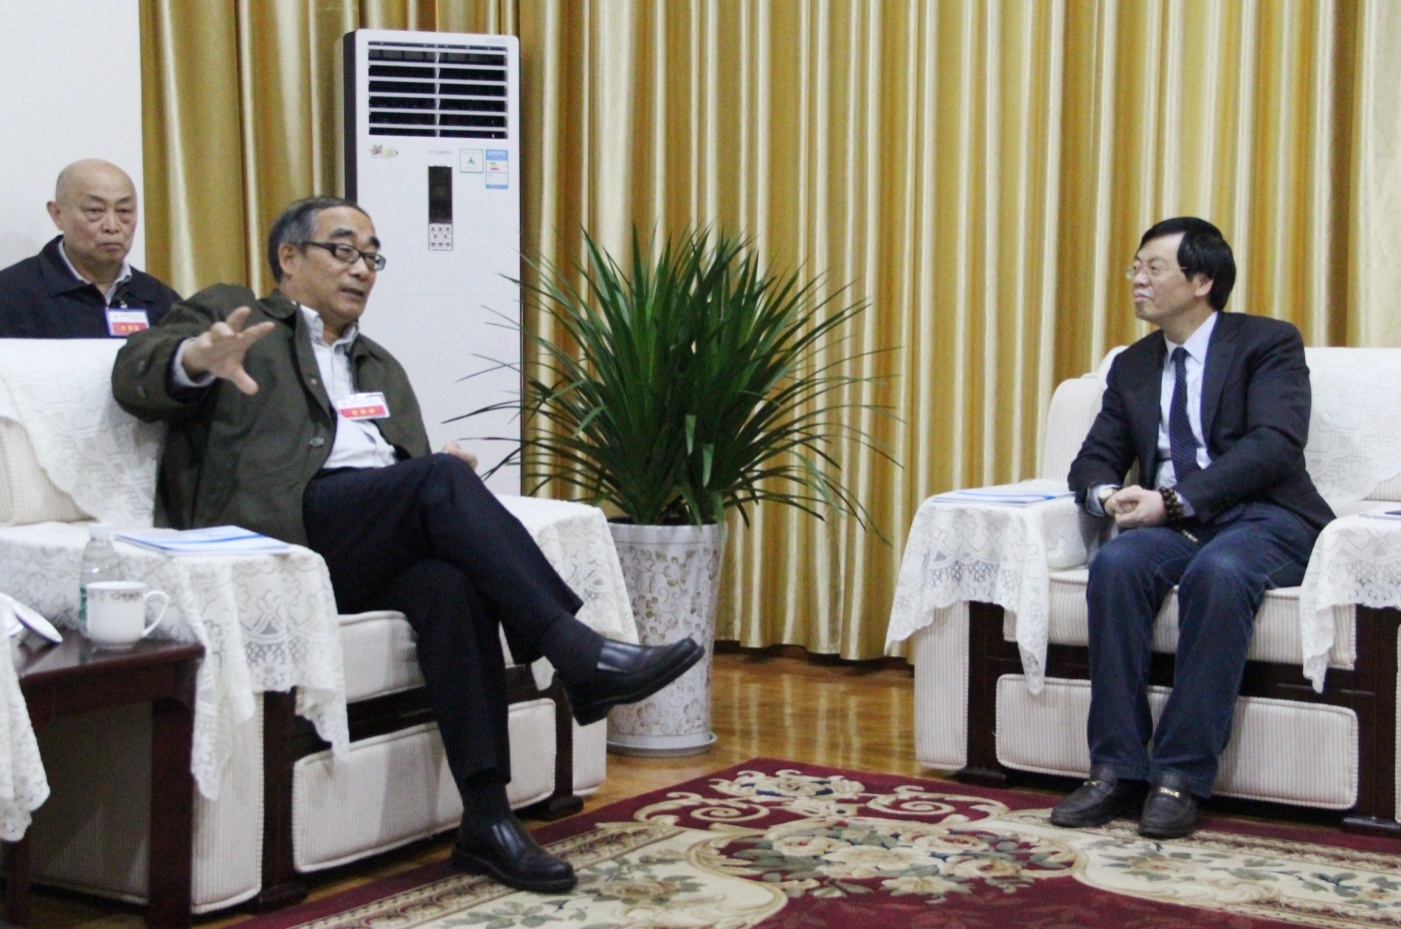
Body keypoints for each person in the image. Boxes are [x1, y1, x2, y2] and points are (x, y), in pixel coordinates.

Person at [111, 196, 702, 893]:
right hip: (281, 535)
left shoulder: (379, 365)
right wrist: (193, 358)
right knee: (441, 482)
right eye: (343, 250)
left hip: (358, 540)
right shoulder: (235, 316)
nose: (361, 269)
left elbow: (408, 473)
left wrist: (428, 477)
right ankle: (577, 652)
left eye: (372, 257)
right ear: (289, 258)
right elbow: (134, 374)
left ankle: (487, 819)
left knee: (450, 583)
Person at [1054, 217, 1333, 839]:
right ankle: (1115, 768)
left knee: (1220, 571)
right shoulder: (1133, 365)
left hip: (1267, 517)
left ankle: (1179, 774)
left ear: (1202, 280)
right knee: (1116, 565)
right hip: (1174, 524)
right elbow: (1094, 458)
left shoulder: (1268, 343)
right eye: (1135, 267)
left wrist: (1173, 501)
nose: (1137, 280)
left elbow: (1274, 446)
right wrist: (1108, 495)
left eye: (1154, 268)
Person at [0, 159, 180, 338]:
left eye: (124, 211)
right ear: (57, 214)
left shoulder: (161, 301)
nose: (112, 226)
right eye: (95, 211)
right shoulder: (10, 294)